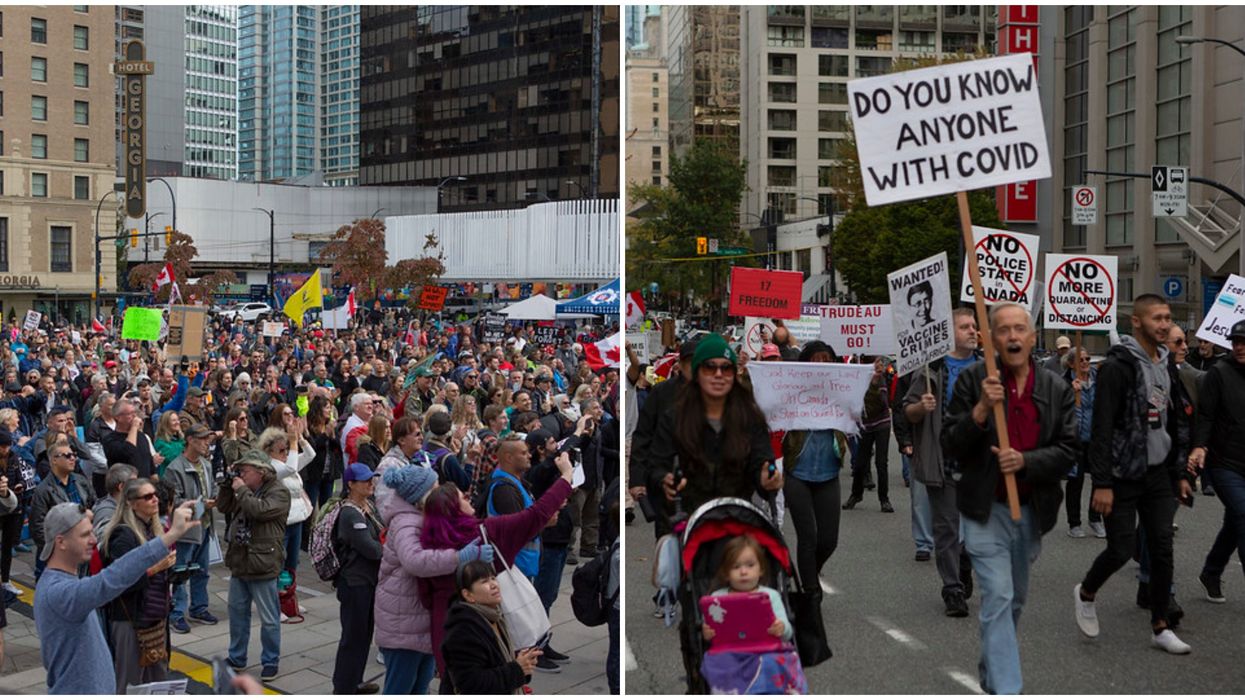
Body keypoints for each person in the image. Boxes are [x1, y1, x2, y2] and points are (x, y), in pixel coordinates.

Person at [941, 302, 1076, 694]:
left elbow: (1068, 450)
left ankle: (992, 672)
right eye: (1003, 330)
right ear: (991, 338)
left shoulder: (1056, 388)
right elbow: (950, 443)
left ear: (1033, 338)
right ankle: (1007, 689)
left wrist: (1026, 461)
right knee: (997, 596)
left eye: (1020, 329)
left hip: (1032, 508)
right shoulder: (972, 381)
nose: (1013, 336)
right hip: (984, 509)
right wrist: (981, 410)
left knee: (1013, 601)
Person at [1074, 295, 1194, 654]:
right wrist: (1103, 482)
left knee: (1161, 547)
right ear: (1137, 322)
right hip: (1122, 473)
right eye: (1157, 318)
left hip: (1158, 473)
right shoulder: (1118, 366)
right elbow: (1102, 426)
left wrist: (1180, 472)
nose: (1164, 324)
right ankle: (1086, 592)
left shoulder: (1166, 364)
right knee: (1122, 549)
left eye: (1168, 318)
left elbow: (1175, 419)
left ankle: (1160, 625)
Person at [420, 452, 574, 689]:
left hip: (443, 629)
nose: (469, 498)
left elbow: (425, 596)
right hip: (486, 629)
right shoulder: (487, 533)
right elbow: (535, 515)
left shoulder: (431, 544)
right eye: (463, 497)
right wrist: (565, 477)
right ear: (455, 509)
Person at [34, 499, 199, 694]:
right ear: (60, 541)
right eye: (85, 534)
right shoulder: (59, 593)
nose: (94, 540)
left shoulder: (60, 584)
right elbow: (111, 579)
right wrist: (170, 536)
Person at [374, 464, 489, 695]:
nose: (441, 491)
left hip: (416, 621)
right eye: (435, 487)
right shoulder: (407, 522)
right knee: (400, 688)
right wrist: (459, 557)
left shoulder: (419, 516)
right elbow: (414, 561)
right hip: (403, 623)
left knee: (420, 686)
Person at [904, 308, 978, 617]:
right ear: (950, 332)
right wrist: (922, 406)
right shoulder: (930, 369)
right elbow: (907, 411)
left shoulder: (988, 368)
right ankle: (952, 589)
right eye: (965, 327)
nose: (973, 331)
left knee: (979, 528)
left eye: (975, 326)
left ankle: (965, 557)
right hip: (944, 459)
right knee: (946, 526)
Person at [216, 448, 291, 681]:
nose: (241, 475)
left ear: (261, 471)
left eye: (245, 470)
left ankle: (270, 661)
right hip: (241, 561)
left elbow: (260, 511)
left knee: (269, 618)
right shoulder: (244, 489)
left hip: (263, 562)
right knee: (237, 613)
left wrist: (242, 490)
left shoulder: (278, 491)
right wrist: (228, 486)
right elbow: (223, 507)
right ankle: (237, 657)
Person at [698, 534, 805, 695]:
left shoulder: (770, 596)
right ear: (726, 573)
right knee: (718, 663)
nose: (743, 572)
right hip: (729, 651)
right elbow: (710, 629)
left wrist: (781, 628)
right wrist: (707, 632)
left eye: (750, 565)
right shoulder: (717, 598)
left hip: (766, 650)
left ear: (760, 569)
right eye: (736, 567)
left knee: (773, 662)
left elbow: (787, 629)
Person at [781, 341, 847, 598]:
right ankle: (811, 590)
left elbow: (863, 407)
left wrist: (873, 384)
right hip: (798, 474)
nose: (822, 364)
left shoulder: (841, 391)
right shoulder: (791, 392)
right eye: (817, 359)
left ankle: (811, 570)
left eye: (827, 360)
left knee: (828, 540)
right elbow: (764, 400)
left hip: (829, 474)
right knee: (808, 536)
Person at [99, 478, 176, 692]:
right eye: (147, 496)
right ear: (132, 503)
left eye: (155, 495)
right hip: (131, 618)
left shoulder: (153, 529)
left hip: (154, 616)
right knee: (130, 680)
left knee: (158, 677)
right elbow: (119, 580)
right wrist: (155, 569)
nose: (155, 500)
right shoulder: (123, 535)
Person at [1188, 319, 1245, 605]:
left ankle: (1211, 572)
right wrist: (1199, 446)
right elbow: (1206, 416)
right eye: (1236, 342)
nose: (1239, 347)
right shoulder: (1218, 373)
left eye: (1244, 342)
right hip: (1224, 463)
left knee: (1236, 521)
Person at [440, 559, 541, 695]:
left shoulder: (493, 615)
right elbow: (472, 685)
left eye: (493, 578)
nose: (493, 585)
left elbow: (498, 661)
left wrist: (524, 663)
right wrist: (517, 669)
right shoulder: (463, 631)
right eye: (484, 582)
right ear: (468, 595)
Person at [332, 463, 384, 695]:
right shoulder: (350, 513)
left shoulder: (369, 506)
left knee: (364, 636)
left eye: (371, 479)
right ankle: (343, 688)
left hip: (368, 581)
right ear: (350, 484)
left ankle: (356, 681)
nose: (370, 484)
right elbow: (372, 549)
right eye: (364, 480)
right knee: (352, 637)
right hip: (355, 583)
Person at [163, 422, 220, 633]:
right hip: (185, 529)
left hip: (205, 525)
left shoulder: (206, 464)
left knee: (202, 570)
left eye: (208, 439)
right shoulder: (174, 468)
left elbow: (211, 486)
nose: (207, 443)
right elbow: (173, 501)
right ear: (190, 440)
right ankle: (177, 612)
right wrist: (201, 504)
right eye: (203, 438)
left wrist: (215, 496)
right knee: (181, 571)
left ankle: (199, 607)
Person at [29, 440, 95, 580]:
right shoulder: (43, 491)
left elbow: (93, 506)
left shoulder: (80, 481)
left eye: (73, 455)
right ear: (54, 460)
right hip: (61, 555)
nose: (73, 458)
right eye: (67, 455)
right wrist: (59, 550)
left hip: (82, 551)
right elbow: (37, 528)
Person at [258, 426, 315, 586]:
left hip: (297, 519)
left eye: (287, 449)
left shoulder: (287, 463)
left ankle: (290, 599)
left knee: (292, 563)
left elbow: (311, 455)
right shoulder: (271, 467)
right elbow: (290, 468)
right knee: (279, 562)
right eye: (282, 450)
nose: (286, 453)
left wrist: (300, 438)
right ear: (270, 451)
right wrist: (293, 442)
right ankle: (278, 601)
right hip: (282, 522)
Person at [1062, 347, 1104, 538]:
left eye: (1088, 358)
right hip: (1075, 439)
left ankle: (1095, 519)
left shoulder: (1099, 379)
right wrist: (1070, 392)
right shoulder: (1064, 382)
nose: (1086, 362)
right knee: (1075, 481)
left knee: (1099, 479)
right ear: (1071, 364)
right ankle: (1074, 523)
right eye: (1081, 360)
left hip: (1095, 439)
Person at [843, 357, 894, 513]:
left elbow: (885, 403)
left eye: (880, 364)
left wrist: (877, 382)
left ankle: (884, 499)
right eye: (875, 363)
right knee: (860, 463)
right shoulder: (858, 377)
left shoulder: (883, 378)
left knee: (881, 463)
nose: (878, 366)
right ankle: (856, 495)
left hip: (882, 424)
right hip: (866, 425)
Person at [0, 431, 36, 594]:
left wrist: (20, 485)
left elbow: (21, 477)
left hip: (14, 506)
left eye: (8, 446)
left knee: (7, 546)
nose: (6, 449)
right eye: (3, 446)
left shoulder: (13, 457)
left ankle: (6, 580)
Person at [102, 397, 159, 480]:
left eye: (135, 413)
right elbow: (129, 451)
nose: (135, 416)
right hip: (126, 488)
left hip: (144, 485)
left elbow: (150, 465)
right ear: (118, 417)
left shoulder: (141, 436)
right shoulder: (110, 440)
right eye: (130, 414)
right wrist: (134, 427)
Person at [153, 410, 186, 478]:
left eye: (178, 420)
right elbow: (174, 457)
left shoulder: (179, 439)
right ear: (166, 424)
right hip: (168, 479)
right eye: (174, 420)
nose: (177, 422)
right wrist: (184, 443)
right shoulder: (160, 442)